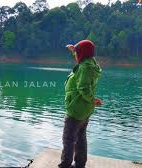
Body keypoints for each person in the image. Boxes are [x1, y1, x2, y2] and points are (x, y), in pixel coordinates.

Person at [58, 40, 102, 168]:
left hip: (76, 109)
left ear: (82, 54)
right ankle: (80, 164)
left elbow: (83, 88)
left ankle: (65, 165)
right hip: (85, 109)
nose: (75, 55)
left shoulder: (84, 67)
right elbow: (82, 59)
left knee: (68, 139)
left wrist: (92, 99)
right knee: (81, 137)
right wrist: (74, 51)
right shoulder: (91, 63)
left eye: (77, 52)